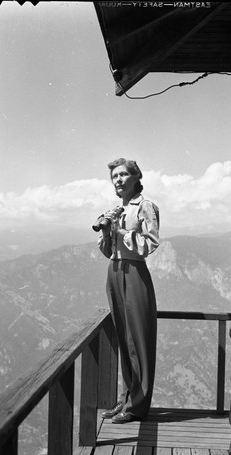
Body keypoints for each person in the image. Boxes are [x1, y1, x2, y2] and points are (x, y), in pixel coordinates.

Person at [97, 158, 160, 424]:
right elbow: (106, 251)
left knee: (139, 341)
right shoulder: (117, 209)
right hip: (115, 271)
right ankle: (126, 399)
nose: (118, 180)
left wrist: (122, 231)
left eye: (123, 175)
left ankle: (137, 407)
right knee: (124, 339)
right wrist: (108, 232)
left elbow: (150, 243)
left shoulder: (145, 206)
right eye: (114, 177)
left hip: (135, 272)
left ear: (136, 177)